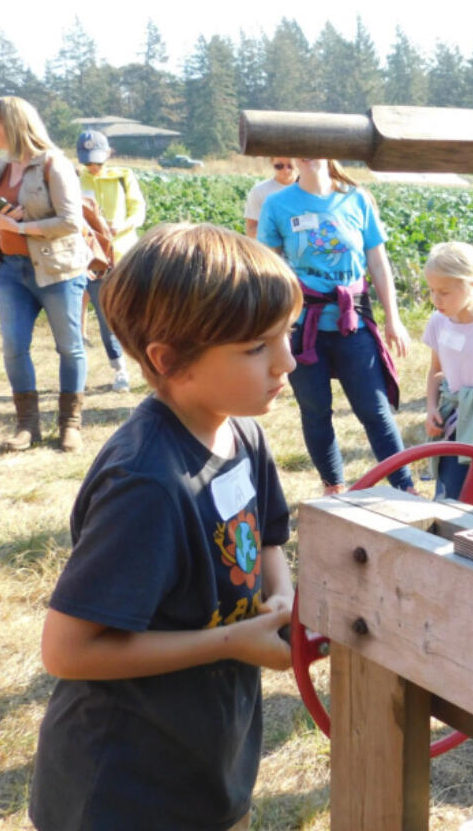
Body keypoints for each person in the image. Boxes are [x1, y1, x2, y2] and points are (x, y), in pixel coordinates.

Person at [28, 223, 298, 830]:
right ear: (167, 360)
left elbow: (270, 538)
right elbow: (67, 651)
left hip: (205, 763)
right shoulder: (147, 483)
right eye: (257, 347)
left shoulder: (241, 432)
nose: (288, 360)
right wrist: (234, 641)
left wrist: (278, 596)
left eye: (286, 334)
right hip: (123, 791)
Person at [257, 157, 414, 494]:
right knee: (315, 411)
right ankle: (334, 488)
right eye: (299, 147)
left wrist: (394, 318)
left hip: (353, 323)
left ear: (331, 152)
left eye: (316, 147)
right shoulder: (277, 204)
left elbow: (377, 260)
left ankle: (405, 488)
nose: (307, 154)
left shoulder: (357, 199)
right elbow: (267, 268)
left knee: (374, 409)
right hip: (303, 327)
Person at [0, 96, 89, 451]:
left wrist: (21, 226)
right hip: (11, 271)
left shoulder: (54, 165)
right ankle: (28, 426)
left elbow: (71, 222)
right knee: (13, 348)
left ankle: (70, 423)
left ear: (10, 122)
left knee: (69, 348)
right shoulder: (2, 166)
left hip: (57, 269)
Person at [422, 241, 473, 501]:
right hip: (453, 420)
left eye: (444, 292)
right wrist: (432, 408)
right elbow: (436, 370)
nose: (436, 299)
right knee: (448, 496)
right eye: (432, 291)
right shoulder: (438, 322)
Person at [76, 129, 145, 392]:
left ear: (109, 154)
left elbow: (138, 210)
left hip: (124, 253)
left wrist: (122, 227)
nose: (93, 167)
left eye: (98, 161)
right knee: (105, 315)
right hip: (93, 258)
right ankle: (120, 370)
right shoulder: (74, 178)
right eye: (87, 161)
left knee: (133, 313)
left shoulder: (124, 176)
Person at [244, 157, 295, 238]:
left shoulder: (309, 189)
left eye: (290, 166)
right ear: (272, 162)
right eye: (279, 166)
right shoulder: (259, 191)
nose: (286, 171)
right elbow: (251, 230)